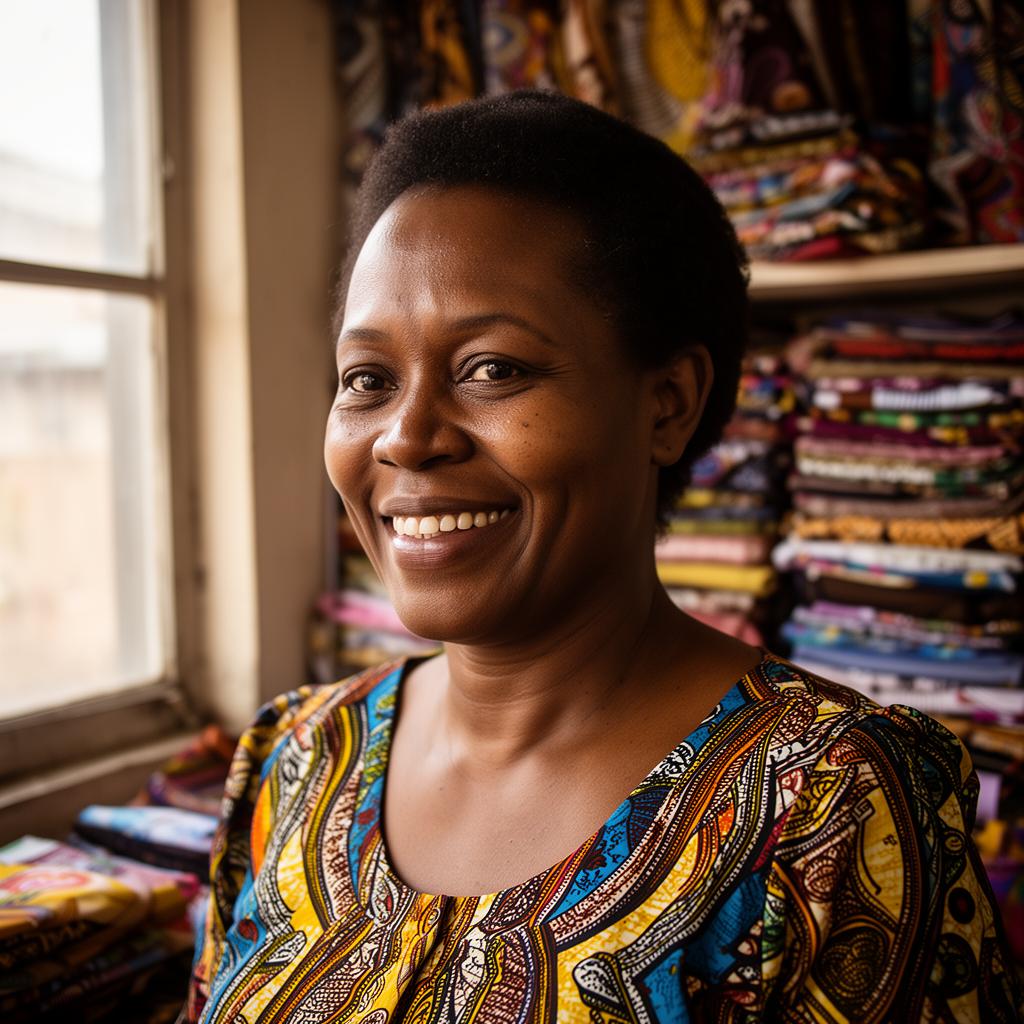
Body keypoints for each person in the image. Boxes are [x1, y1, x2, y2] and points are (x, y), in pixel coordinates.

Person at [181, 91, 1020, 1023]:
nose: (406, 438)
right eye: (367, 380)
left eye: (493, 368)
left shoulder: (831, 804)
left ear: (666, 404)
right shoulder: (294, 760)